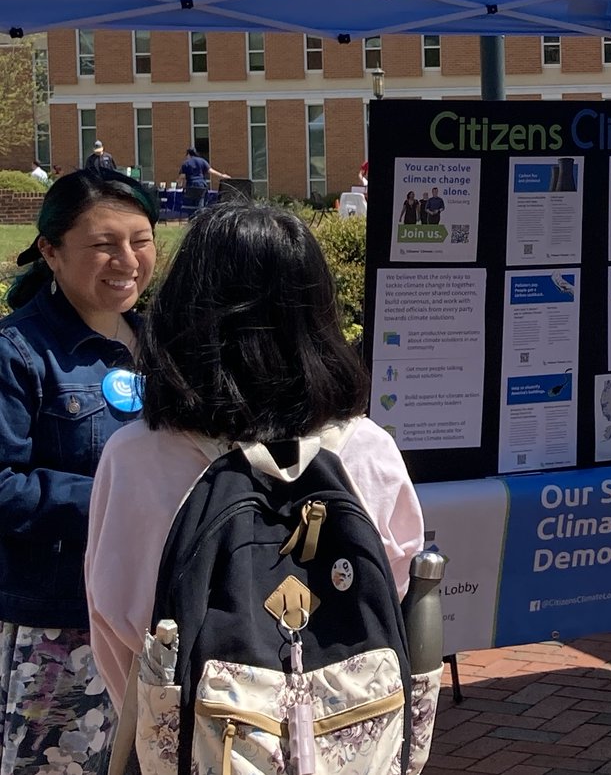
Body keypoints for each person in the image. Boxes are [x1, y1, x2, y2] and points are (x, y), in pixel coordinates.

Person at [84, 201, 428, 749]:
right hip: (348, 738)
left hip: (206, 742)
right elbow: (402, 593)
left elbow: (115, 623)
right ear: (317, 314)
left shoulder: (134, 456)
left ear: (184, 311)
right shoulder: (367, 448)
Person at [0, 168, 158, 773]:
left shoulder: (162, 344)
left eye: (140, 240)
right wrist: (116, 499)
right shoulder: (18, 353)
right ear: (50, 251)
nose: (127, 260)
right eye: (102, 244)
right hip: (62, 624)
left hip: (154, 621)